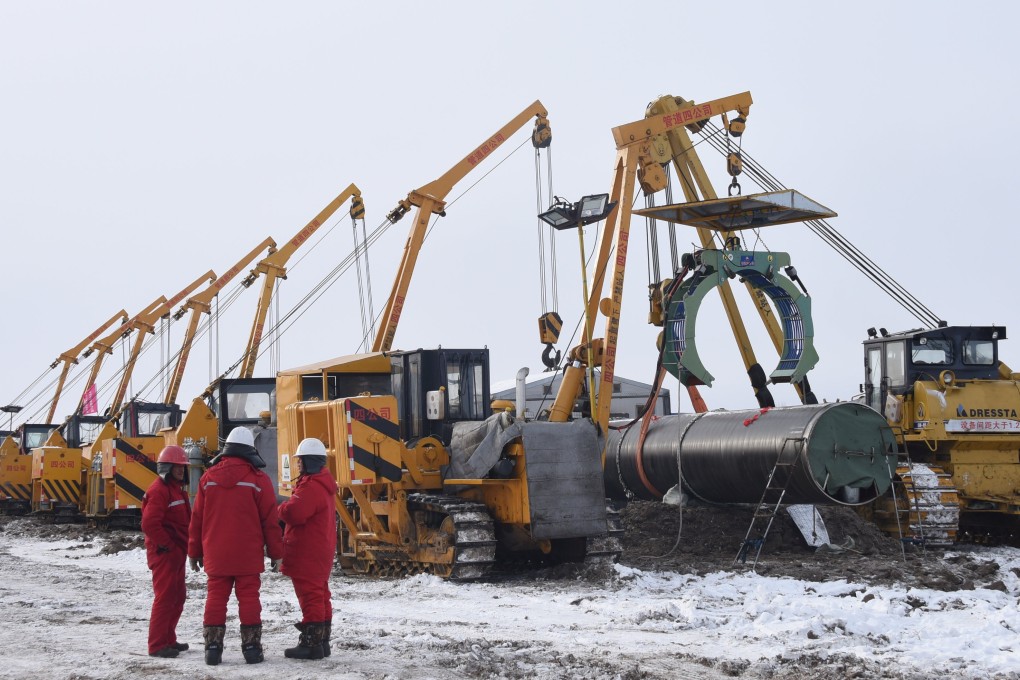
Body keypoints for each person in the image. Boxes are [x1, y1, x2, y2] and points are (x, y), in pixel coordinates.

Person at [187, 427, 283, 666]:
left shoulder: (207, 479)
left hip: (216, 554)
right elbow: (270, 522)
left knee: (215, 598)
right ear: (250, 450)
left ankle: (212, 649)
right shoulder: (258, 480)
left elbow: (196, 519)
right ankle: (251, 649)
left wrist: (194, 552)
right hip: (247, 555)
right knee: (249, 598)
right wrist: (276, 553)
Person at [278, 437, 338, 660]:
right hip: (318, 548)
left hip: (307, 550)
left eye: (300, 461)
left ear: (309, 462)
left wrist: (280, 509)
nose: (298, 465)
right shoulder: (322, 484)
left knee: (310, 595)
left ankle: (312, 644)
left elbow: (294, 512)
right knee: (320, 594)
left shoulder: (311, 486)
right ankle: (322, 641)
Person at [141, 445, 192, 658]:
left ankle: (168, 639)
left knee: (177, 597)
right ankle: (157, 645)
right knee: (165, 598)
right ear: (166, 468)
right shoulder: (159, 491)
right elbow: (150, 524)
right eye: (177, 466)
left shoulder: (175, 489)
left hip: (175, 552)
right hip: (165, 554)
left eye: (182, 467)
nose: (181, 470)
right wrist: (167, 545)